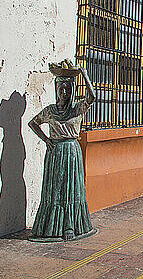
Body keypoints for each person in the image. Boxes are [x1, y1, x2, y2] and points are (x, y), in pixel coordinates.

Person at [28, 59, 97, 241]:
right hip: (56, 152)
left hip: (72, 151)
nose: (64, 93)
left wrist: (84, 74)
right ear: (57, 90)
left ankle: (70, 226)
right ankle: (50, 227)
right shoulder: (50, 111)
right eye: (61, 89)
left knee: (72, 189)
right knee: (55, 189)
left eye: (68, 89)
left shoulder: (77, 109)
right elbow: (33, 123)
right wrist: (45, 140)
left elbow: (92, 97)